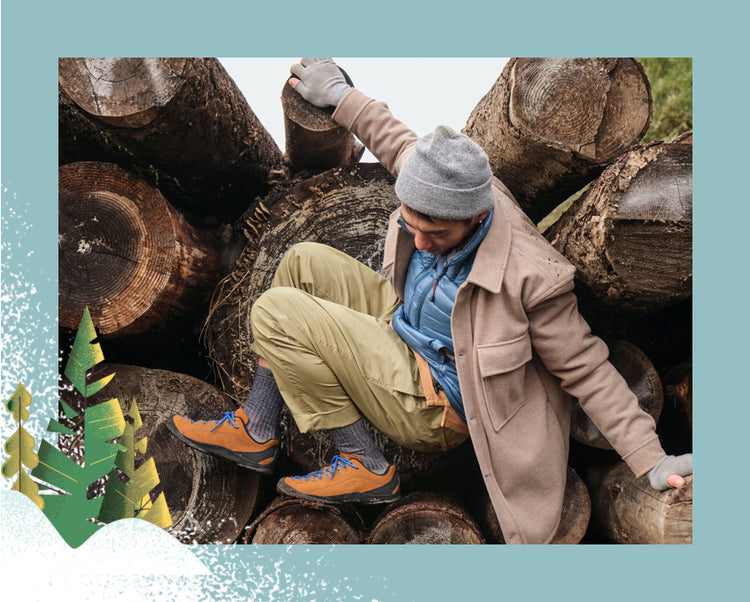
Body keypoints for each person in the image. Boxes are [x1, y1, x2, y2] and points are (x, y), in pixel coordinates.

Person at [167, 58, 693, 544]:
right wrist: (340, 95)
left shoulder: (530, 277)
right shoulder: (442, 184)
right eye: (411, 225)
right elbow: (394, 137)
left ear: (474, 217)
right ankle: (257, 427)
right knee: (302, 260)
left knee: (276, 312)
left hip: (436, 399)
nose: (418, 242)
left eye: (435, 233)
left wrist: (650, 458)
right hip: (406, 325)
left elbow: (587, 367)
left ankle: (364, 464)